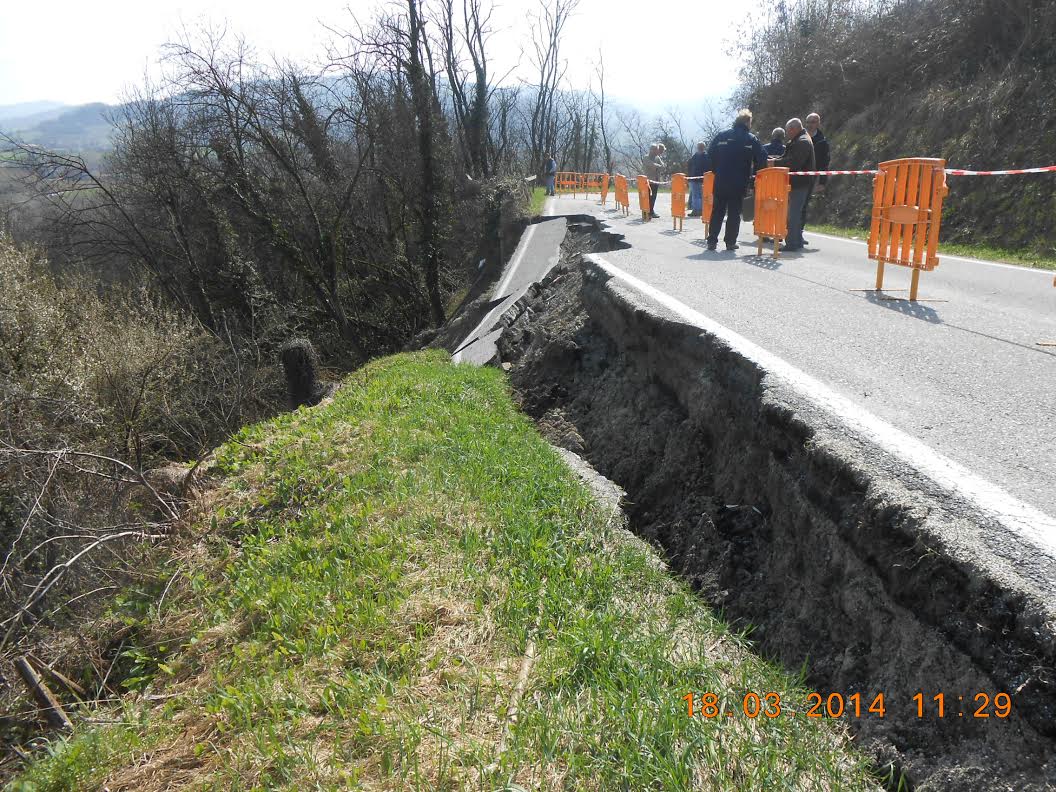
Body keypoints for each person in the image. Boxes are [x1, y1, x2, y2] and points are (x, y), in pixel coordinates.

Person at [706, 109, 767, 251]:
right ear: (747, 122)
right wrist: (753, 179)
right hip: (739, 182)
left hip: (721, 181)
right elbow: (762, 159)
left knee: (717, 211)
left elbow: (710, 155)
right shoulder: (751, 139)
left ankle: (712, 241)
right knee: (734, 213)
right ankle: (730, 242)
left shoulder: (721, 136)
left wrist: (717, 170)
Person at [772, 117, 815, 251]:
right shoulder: (799, 139)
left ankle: (792, 243)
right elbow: (786, 157)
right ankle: (796, 241)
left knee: (793, 214)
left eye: (788, 130)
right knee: (794, 213)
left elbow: (794, 162)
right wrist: (774, 160)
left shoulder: (802, 142)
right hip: (797, 183)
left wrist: (774, 163)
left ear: (794, 128)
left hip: (799, 184)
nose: (787, 134)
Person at [801, 113, 830, 244]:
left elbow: (825, 163)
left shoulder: (822, 141)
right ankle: (786, 232)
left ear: (818, 123)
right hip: (795, 176)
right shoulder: (799, 136)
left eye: (813, 122)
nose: (810, 124)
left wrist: (822, 182)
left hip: (811, 178)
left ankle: (798, 234)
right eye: (808, 121)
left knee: (803, 206)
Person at [687, 142, 711, 217]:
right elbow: (689, 164)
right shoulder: (696, 156)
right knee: (697, 195)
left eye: (700, 146)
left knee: (697, 195)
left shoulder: (705, 156)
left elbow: (708, 167)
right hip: (695, 178)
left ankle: (697, 210)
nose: (699, 148)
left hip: (700, 178)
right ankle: (698, 209)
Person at [643, 143, 664, 219]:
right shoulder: (646, 157)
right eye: (655, 149)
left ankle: (651, 211)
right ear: (651, 150)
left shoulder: (657, 157)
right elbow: (651, 165)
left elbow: (663, 166)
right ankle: (646, 211)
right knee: (647, 197)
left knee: (653, 197)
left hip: (656, 180)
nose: (656, 151)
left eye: (657, 149)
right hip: (648, 181)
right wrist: (658, 166)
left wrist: (658, 166)